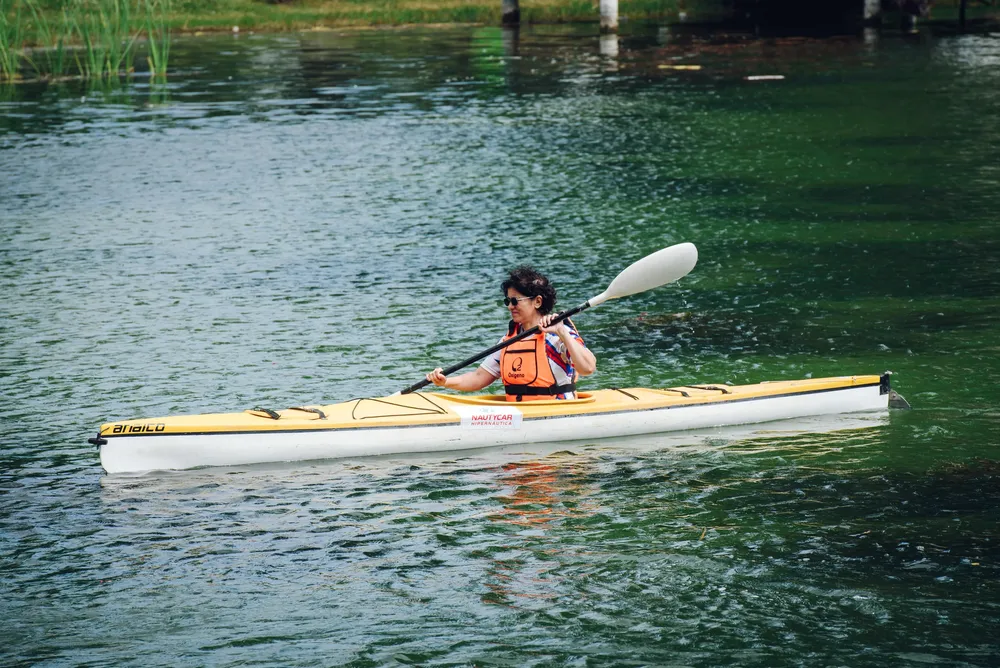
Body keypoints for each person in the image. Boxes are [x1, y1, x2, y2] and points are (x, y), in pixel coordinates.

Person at [425, 266, 596, 401]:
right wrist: (445, 382)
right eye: (507, 301)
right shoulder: (509, 341)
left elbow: (588, 368)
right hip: (520, 415)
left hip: (557, 412)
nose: (510, 306)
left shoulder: (556, 337)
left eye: (515, 301)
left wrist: (562, 332)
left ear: (537, 301)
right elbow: (478, 377)